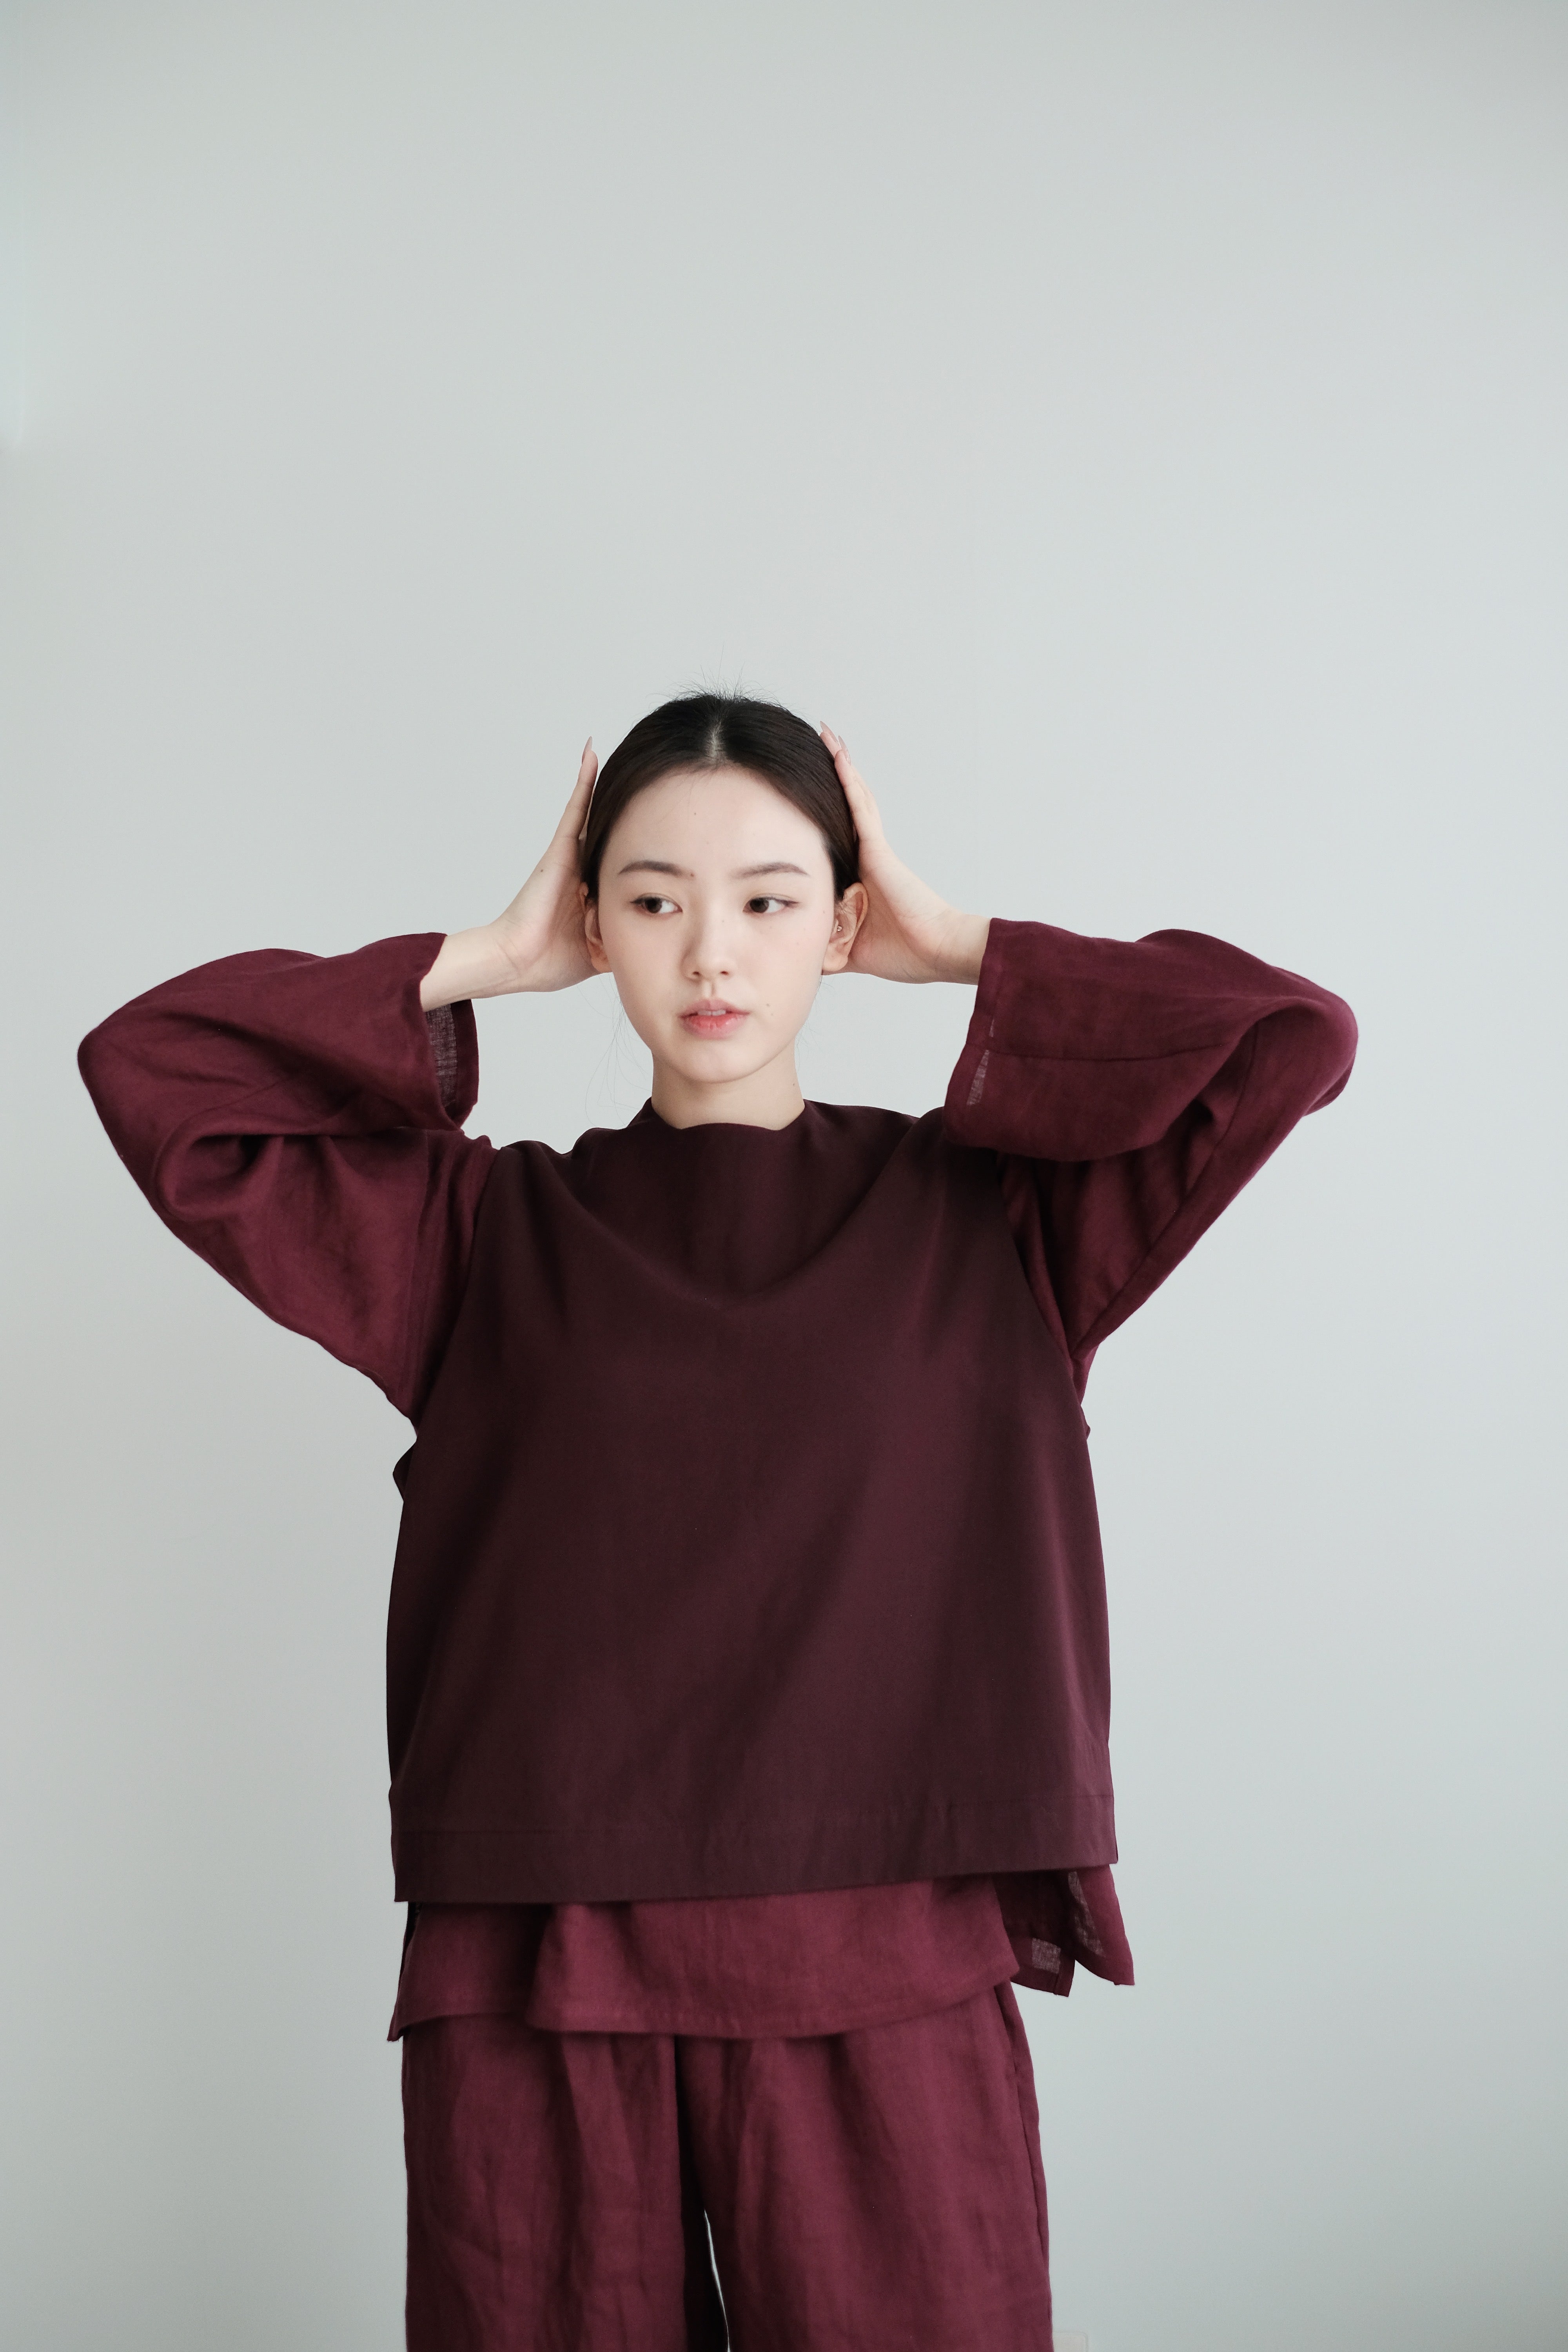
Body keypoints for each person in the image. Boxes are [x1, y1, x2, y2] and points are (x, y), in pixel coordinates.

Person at [78, 693, 1357, 2351]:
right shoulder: (480, 1232)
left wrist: (959, 947)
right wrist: (486, 958)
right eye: (653, 898)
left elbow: (1287, 1041)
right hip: (541, 1951)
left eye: (767, 899)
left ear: (840, 922)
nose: (710, 953)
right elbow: (155, 1073)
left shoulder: (1000, 1214)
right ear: (595, 924)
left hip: (883, 1939)